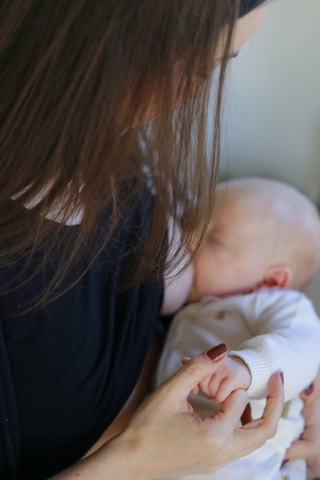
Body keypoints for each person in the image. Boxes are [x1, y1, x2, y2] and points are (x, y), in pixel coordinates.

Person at [3, 1, 319, 478]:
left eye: (218, 66)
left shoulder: (116, 149)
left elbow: (278, 330)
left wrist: (283, 370)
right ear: (113, 41)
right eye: (201, 65)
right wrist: (139, 458)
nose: (196, 92)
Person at [155, 177, 320, 479]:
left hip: (257, 462)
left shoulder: (283, 305)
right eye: (190, 223)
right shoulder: (194, 308)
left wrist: (247, 368)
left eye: (213, 238)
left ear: (272, 281)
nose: (188, 240)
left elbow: (303, 348)